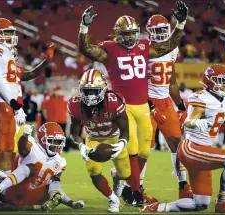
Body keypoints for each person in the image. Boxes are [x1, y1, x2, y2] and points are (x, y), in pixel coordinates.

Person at [78, 1, 188, 206]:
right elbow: (86, 49)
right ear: (118, 34)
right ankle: (136, 194)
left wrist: (180, 24)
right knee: (133, 150)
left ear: (138, 32)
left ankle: (126, 184)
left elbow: (167, 46)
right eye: (125, 34)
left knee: (145, 152)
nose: (129, 37)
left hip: (143, 107)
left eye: (132, 33)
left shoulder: (144, 46)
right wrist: (84, 28)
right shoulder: (109, 49)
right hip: (123, 107)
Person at [140, 64, 225, 213]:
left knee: (200, 204)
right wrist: (199, 123)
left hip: (202, 151)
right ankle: (222, 203)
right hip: (191, 148)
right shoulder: (202, 98)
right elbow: (189, 122)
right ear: (209, 82)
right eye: (220, 81)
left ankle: (159, 207)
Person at [127, 14, 191, 202]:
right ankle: (136, 190)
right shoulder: (143, 50)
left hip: (165, 102)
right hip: (145, 101)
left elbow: (171, 81)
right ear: (149, 33)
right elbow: (136, 82)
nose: (162, 34)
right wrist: (151, 106)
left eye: (164, 30)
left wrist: (180, 106)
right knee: (143, 149)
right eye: (158, 30)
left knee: (177, 145)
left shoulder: (172, 49)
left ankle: (183, 185)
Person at [0, 18, 54, 173]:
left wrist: (46, 61)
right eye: (6, 32)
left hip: (10, 105)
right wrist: (16, 105)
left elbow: (28, 74)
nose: (10, 36)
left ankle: (4, 182)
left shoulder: (6, 54)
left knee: (8, 147)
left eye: (11, 33)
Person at [68, 69, 133, 212]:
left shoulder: (114, 101)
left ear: (103, 89)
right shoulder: (75, 104)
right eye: (86, 91)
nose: (90, 96)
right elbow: (74, 132)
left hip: (114, 137)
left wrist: (121, 143)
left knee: (126, 174)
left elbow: (125, 130)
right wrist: (81, 145)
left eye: (94, 91)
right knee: (93, 170)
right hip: (93, 138)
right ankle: (112, 198)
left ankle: (116, 176)